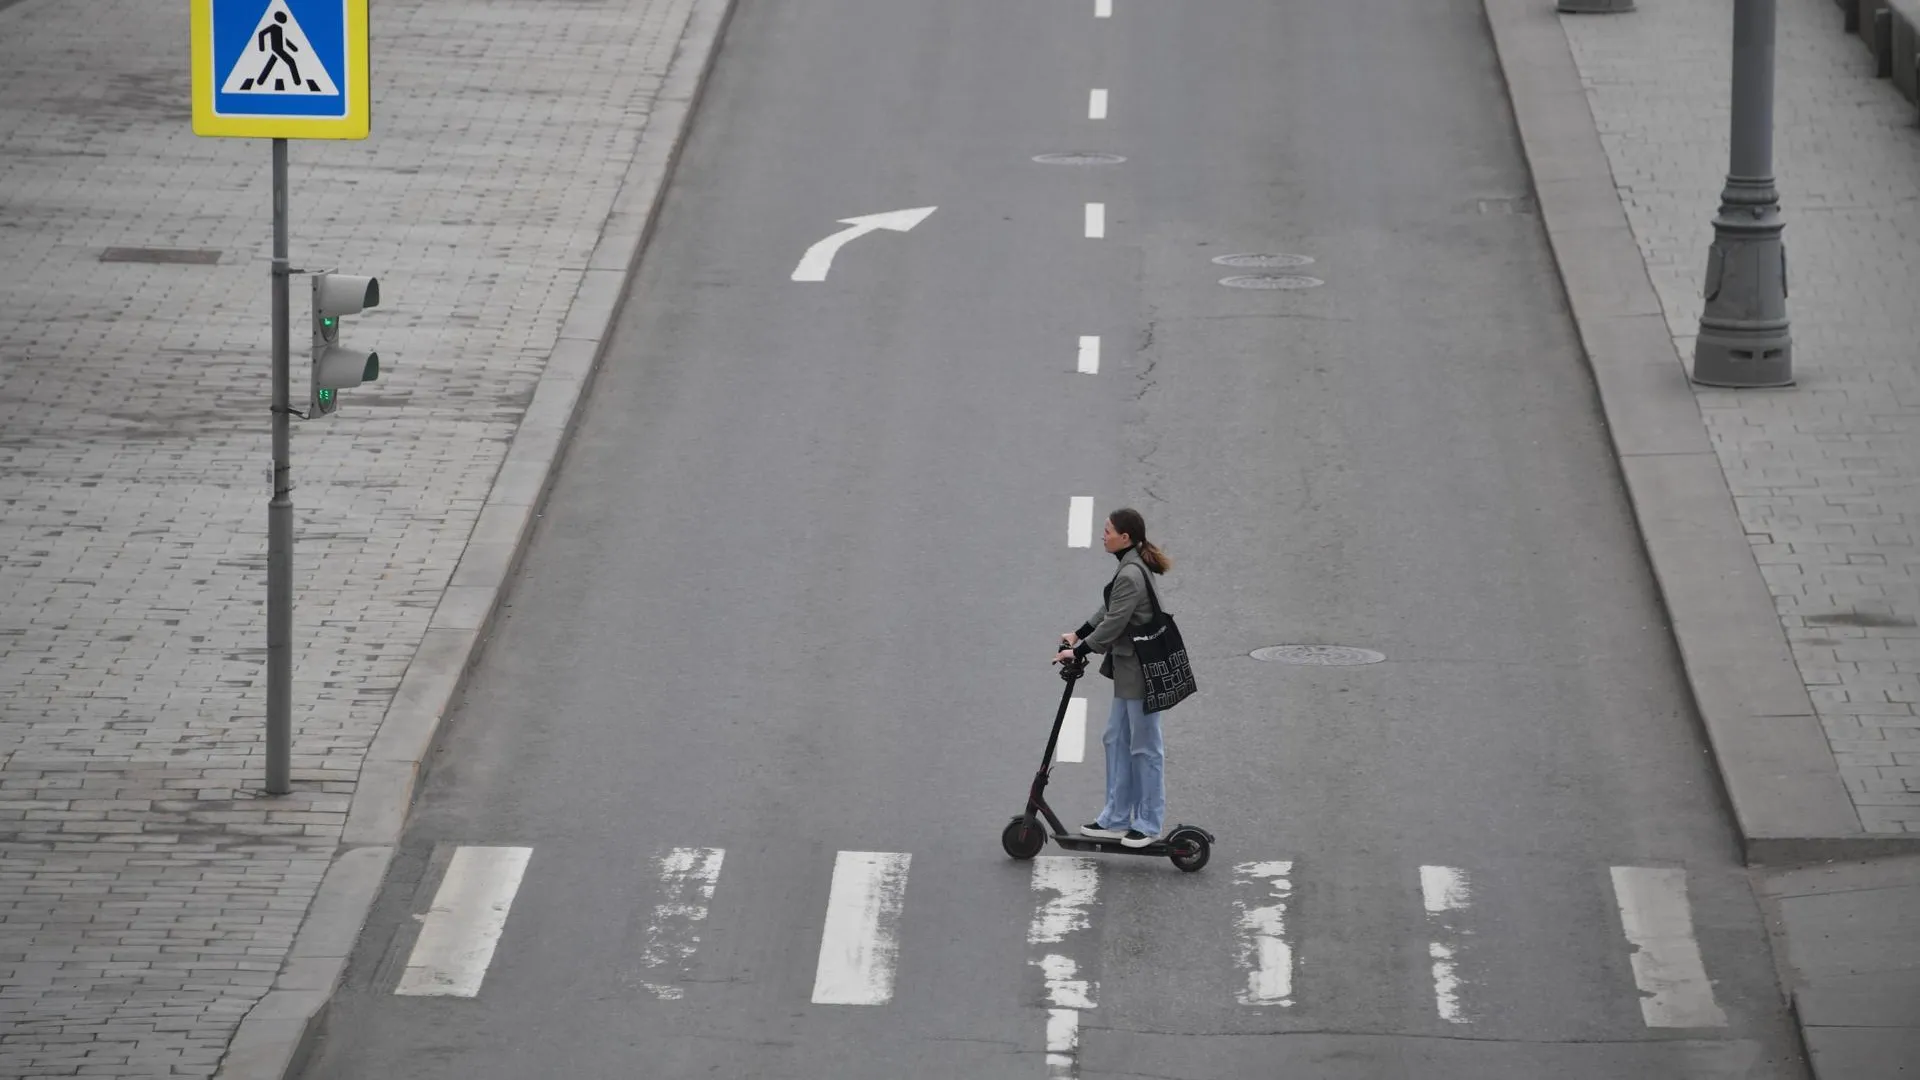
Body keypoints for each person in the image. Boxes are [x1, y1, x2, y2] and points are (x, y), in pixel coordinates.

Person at [1054, 508, 1174, 849]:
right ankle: (1117, 818)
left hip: (1143, 671)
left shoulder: (1131, 574)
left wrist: (1079, 651)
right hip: (1128, 669)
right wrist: (1077, 634)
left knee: (1146, 747)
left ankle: (1148, 823)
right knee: (1115, 738)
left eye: (1108, 531)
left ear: (1125, 538)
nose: (1102, 535)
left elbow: (1114, 623)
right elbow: (1108, 610)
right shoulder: (1128, 567)